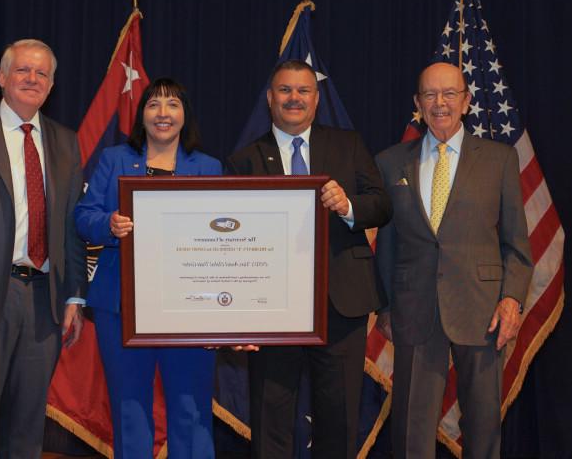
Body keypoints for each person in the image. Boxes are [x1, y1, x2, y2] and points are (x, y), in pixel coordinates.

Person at [226, 60, 392, 459]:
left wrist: (348, 205)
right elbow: (233, 244)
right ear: (270, 99)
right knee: (271, 418)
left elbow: (382, 205)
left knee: (339, 417)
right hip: (271, 309)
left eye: (303, 91)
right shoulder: (245, 159)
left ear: (317, 100)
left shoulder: (347, 145)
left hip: (341, 303)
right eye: (285, 90)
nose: (294, 98)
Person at [374, 61, 534, 459]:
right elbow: (387, 244)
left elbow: (516, 243)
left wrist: (512, 299)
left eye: (449, 94)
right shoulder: (391, 162)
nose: (439, 103)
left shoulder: (499, 159)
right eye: (430, 94)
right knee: (412, 429)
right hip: (415, 312)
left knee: (483, 429)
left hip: (483, 314)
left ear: (465, 102)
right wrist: (385, 306)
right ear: (418, 102)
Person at [75, 77, 221, 458]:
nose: (162, 113)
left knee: (191, 408)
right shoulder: (114, 159)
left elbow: (223, 238)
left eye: (172, 104)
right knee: (130, 408)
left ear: (184, 115)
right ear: (141, 115)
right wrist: (108, 224)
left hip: (191, 307)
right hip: (122, 305)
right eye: (153, 104)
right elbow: (82, 215)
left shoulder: (208, 167)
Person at [0, 39, 86, 458]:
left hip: (44, 299)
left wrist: (74, 295)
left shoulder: (65, 141)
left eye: (42, 73)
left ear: (52, 85)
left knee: (25, 430)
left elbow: (72, 228)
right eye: (23, 70)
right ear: (2, 78)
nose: (32, 79)